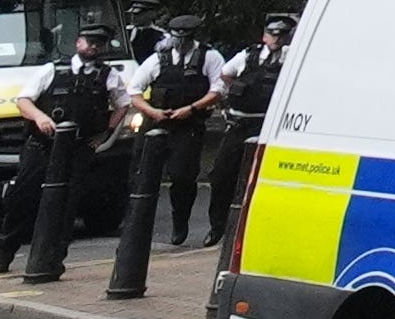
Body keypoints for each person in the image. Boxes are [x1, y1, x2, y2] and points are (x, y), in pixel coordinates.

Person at [110, 31, 215, 298]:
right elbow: (134, 91)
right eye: (178, 37)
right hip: (156, 121)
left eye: (187, 38)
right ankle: (132, 223)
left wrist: (191, 108)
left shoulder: (209, 57)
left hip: (188, 124)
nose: (181, 42)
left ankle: (181, 222)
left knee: (183, 176)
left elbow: (218, 89)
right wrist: (152, 112)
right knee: (140, 177)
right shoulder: (157, 59)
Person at [13, 29, 121, 284]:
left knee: (68, 203)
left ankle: (54, 258)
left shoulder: (109, 75)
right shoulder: (53, 70)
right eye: (89, 42)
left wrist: (105, 132)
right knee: (22, 197)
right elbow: (23, 100)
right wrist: (40, 117)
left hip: (78, 147)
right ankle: (5, 252)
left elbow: (123, 104)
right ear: (78, 43)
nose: (94, 47)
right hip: (43, 145)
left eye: (99, 44)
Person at [202, 15, 290, 273]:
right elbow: (226, 74)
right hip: (239, 125)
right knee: (221, 175)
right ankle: (217, 226)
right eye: (273, 34)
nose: (277, 39)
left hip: (266, 127)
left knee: (262, 181)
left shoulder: (290, 57)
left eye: (282, 35)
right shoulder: (248, 56)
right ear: (265, 36)